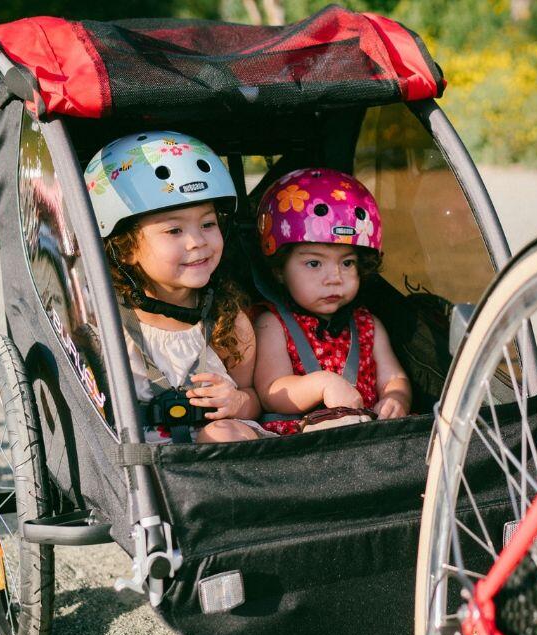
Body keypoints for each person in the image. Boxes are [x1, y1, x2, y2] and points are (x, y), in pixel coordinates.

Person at [86, 131, 270, 444]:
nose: (198, 241)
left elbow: (253, 398)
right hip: (139, 466)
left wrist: (237, 401)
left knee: (225, 434)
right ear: (126, 248)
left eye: (208, 224)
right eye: (174, 230)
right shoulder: (101, 323)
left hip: (216, 455)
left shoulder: (227, 321)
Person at [252, 168, 411, 435]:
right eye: (314, 263)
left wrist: (397, 398)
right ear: (280, 269)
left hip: (367, 436)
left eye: (347, 263)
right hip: (304, 440)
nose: (334, 278)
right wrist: (323, 384)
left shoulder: (367, 324)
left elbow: (394, 377)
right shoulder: (273, 324)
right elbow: (271, 391)